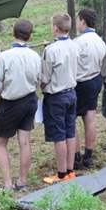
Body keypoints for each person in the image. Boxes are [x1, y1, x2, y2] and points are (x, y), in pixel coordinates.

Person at [0, 19, 41, 192]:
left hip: (11, 103)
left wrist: (0, 103)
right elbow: (39, 80)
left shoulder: (4, 56)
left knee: (1, 143)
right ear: (30, 36)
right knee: (24, 142)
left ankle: (7, 184)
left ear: (13, 33)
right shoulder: (35, 56)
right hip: (29, 100)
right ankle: (22, 181)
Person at [41, 12, 80, 184]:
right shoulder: (75, 46)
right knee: (70, 132)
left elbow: (45, 77)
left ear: (55, 28)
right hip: (71, 92)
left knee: (59, 135)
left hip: (56, 96)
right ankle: (70, 169)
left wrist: (43, 87)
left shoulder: (51, 50)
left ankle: (62, 173)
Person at [73, 8, 106, 169]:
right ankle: (89, 155)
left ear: (83, 22)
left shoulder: (79, 42)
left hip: (81, 82)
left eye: (78, 20)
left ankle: (76, 157)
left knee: (71, 120)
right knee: (90, 118)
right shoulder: (100, 41)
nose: (77, 23)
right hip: (95, 80)